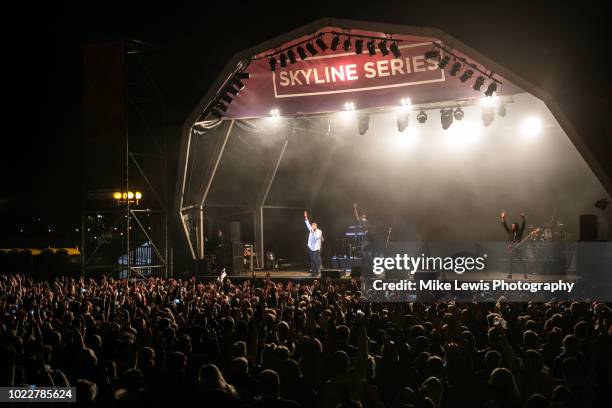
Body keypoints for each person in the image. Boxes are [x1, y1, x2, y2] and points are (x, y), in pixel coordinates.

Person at [501, 210, 527, 279]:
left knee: (521, 261)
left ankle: (525, 274)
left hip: (518, 248)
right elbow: (505, 226)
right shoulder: (510, 232)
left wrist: (523, 217)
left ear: (516, 226)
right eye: (512, 226)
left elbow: (523, 225)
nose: (512, 227)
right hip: (512, 249)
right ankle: (510, 274)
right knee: (511, 262)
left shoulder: (519, 232)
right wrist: (503, 218)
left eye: (513, 226)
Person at [304, 210, 323, 276]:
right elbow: (307, 224)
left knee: (314, 260)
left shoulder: (319, 231)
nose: (312, 227)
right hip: (311, 247)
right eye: (312, 226)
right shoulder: (311, 229)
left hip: (316, 248)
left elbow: (316, 238)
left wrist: (313, 231)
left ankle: (314, 272)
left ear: (316, 226)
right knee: (312, 260)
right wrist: (306, 217)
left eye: (313, 226)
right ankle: (316, 271)